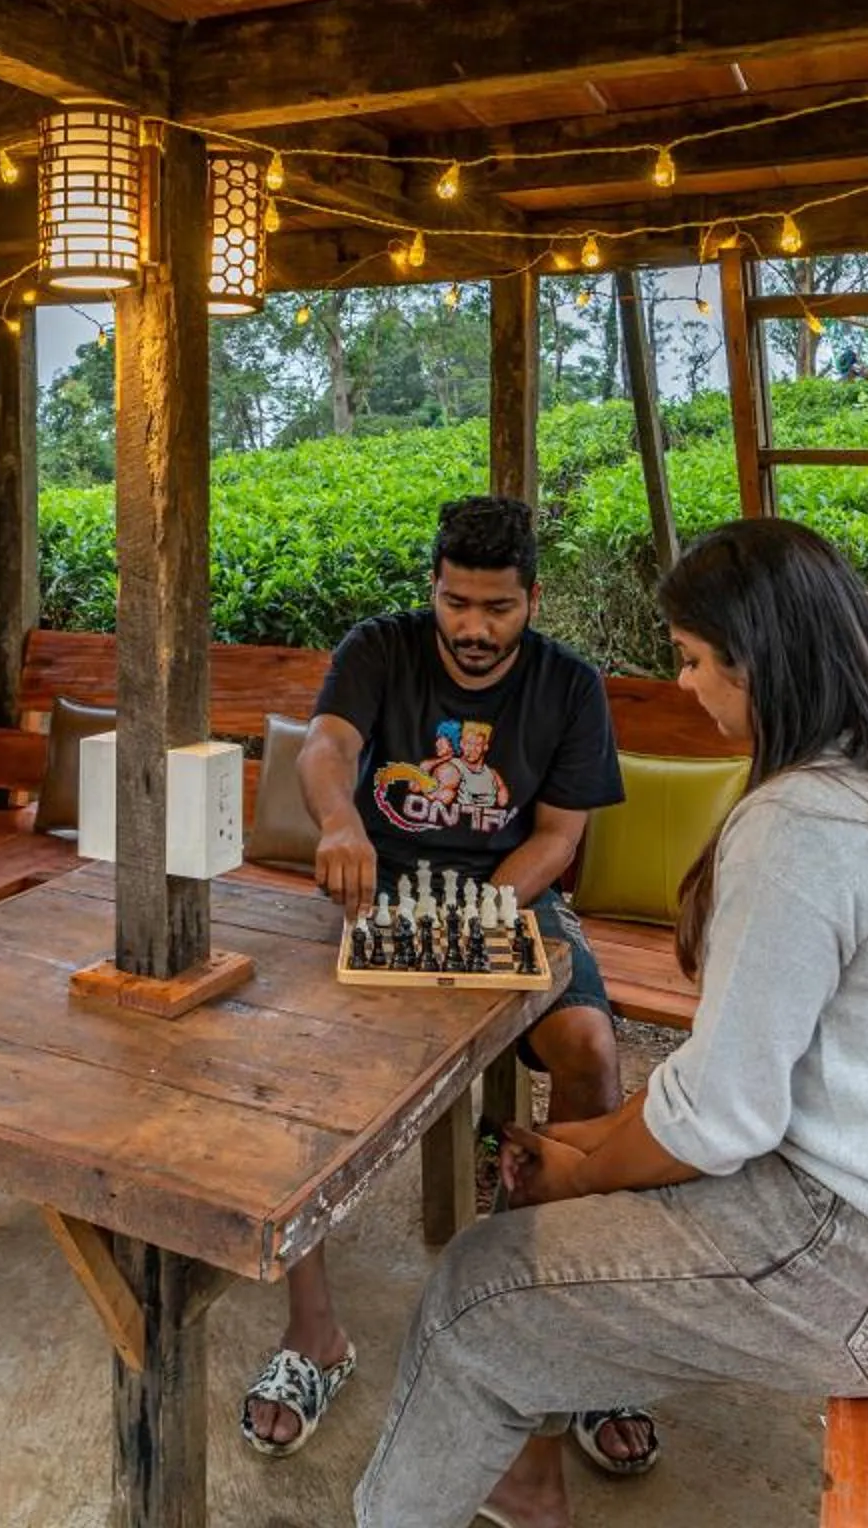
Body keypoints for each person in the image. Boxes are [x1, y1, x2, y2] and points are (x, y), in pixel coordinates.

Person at [352, 517, 868, 1528]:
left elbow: (721, 1117)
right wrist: (575, 1145)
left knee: (476, 1289)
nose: (682, 684)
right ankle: (522, 1473)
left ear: (755, 661)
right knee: (541, 1211)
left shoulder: (802, 822)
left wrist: (582, 1169)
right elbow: (744, 1093)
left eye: (689, 660)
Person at [244, 495, 629, 1459]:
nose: (473, 629)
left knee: (588, 1049)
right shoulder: (378, 649)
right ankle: (314, 1331)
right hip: (375, 894)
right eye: (457, 603)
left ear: (531, 600)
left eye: (497, 608)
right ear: (434, 590)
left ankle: (568, 1315)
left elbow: (559, 836)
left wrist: (476, 915)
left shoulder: (570, 688)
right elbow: (329, 748)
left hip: (513, 896)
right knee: (300, 1071)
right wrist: (338, 823)